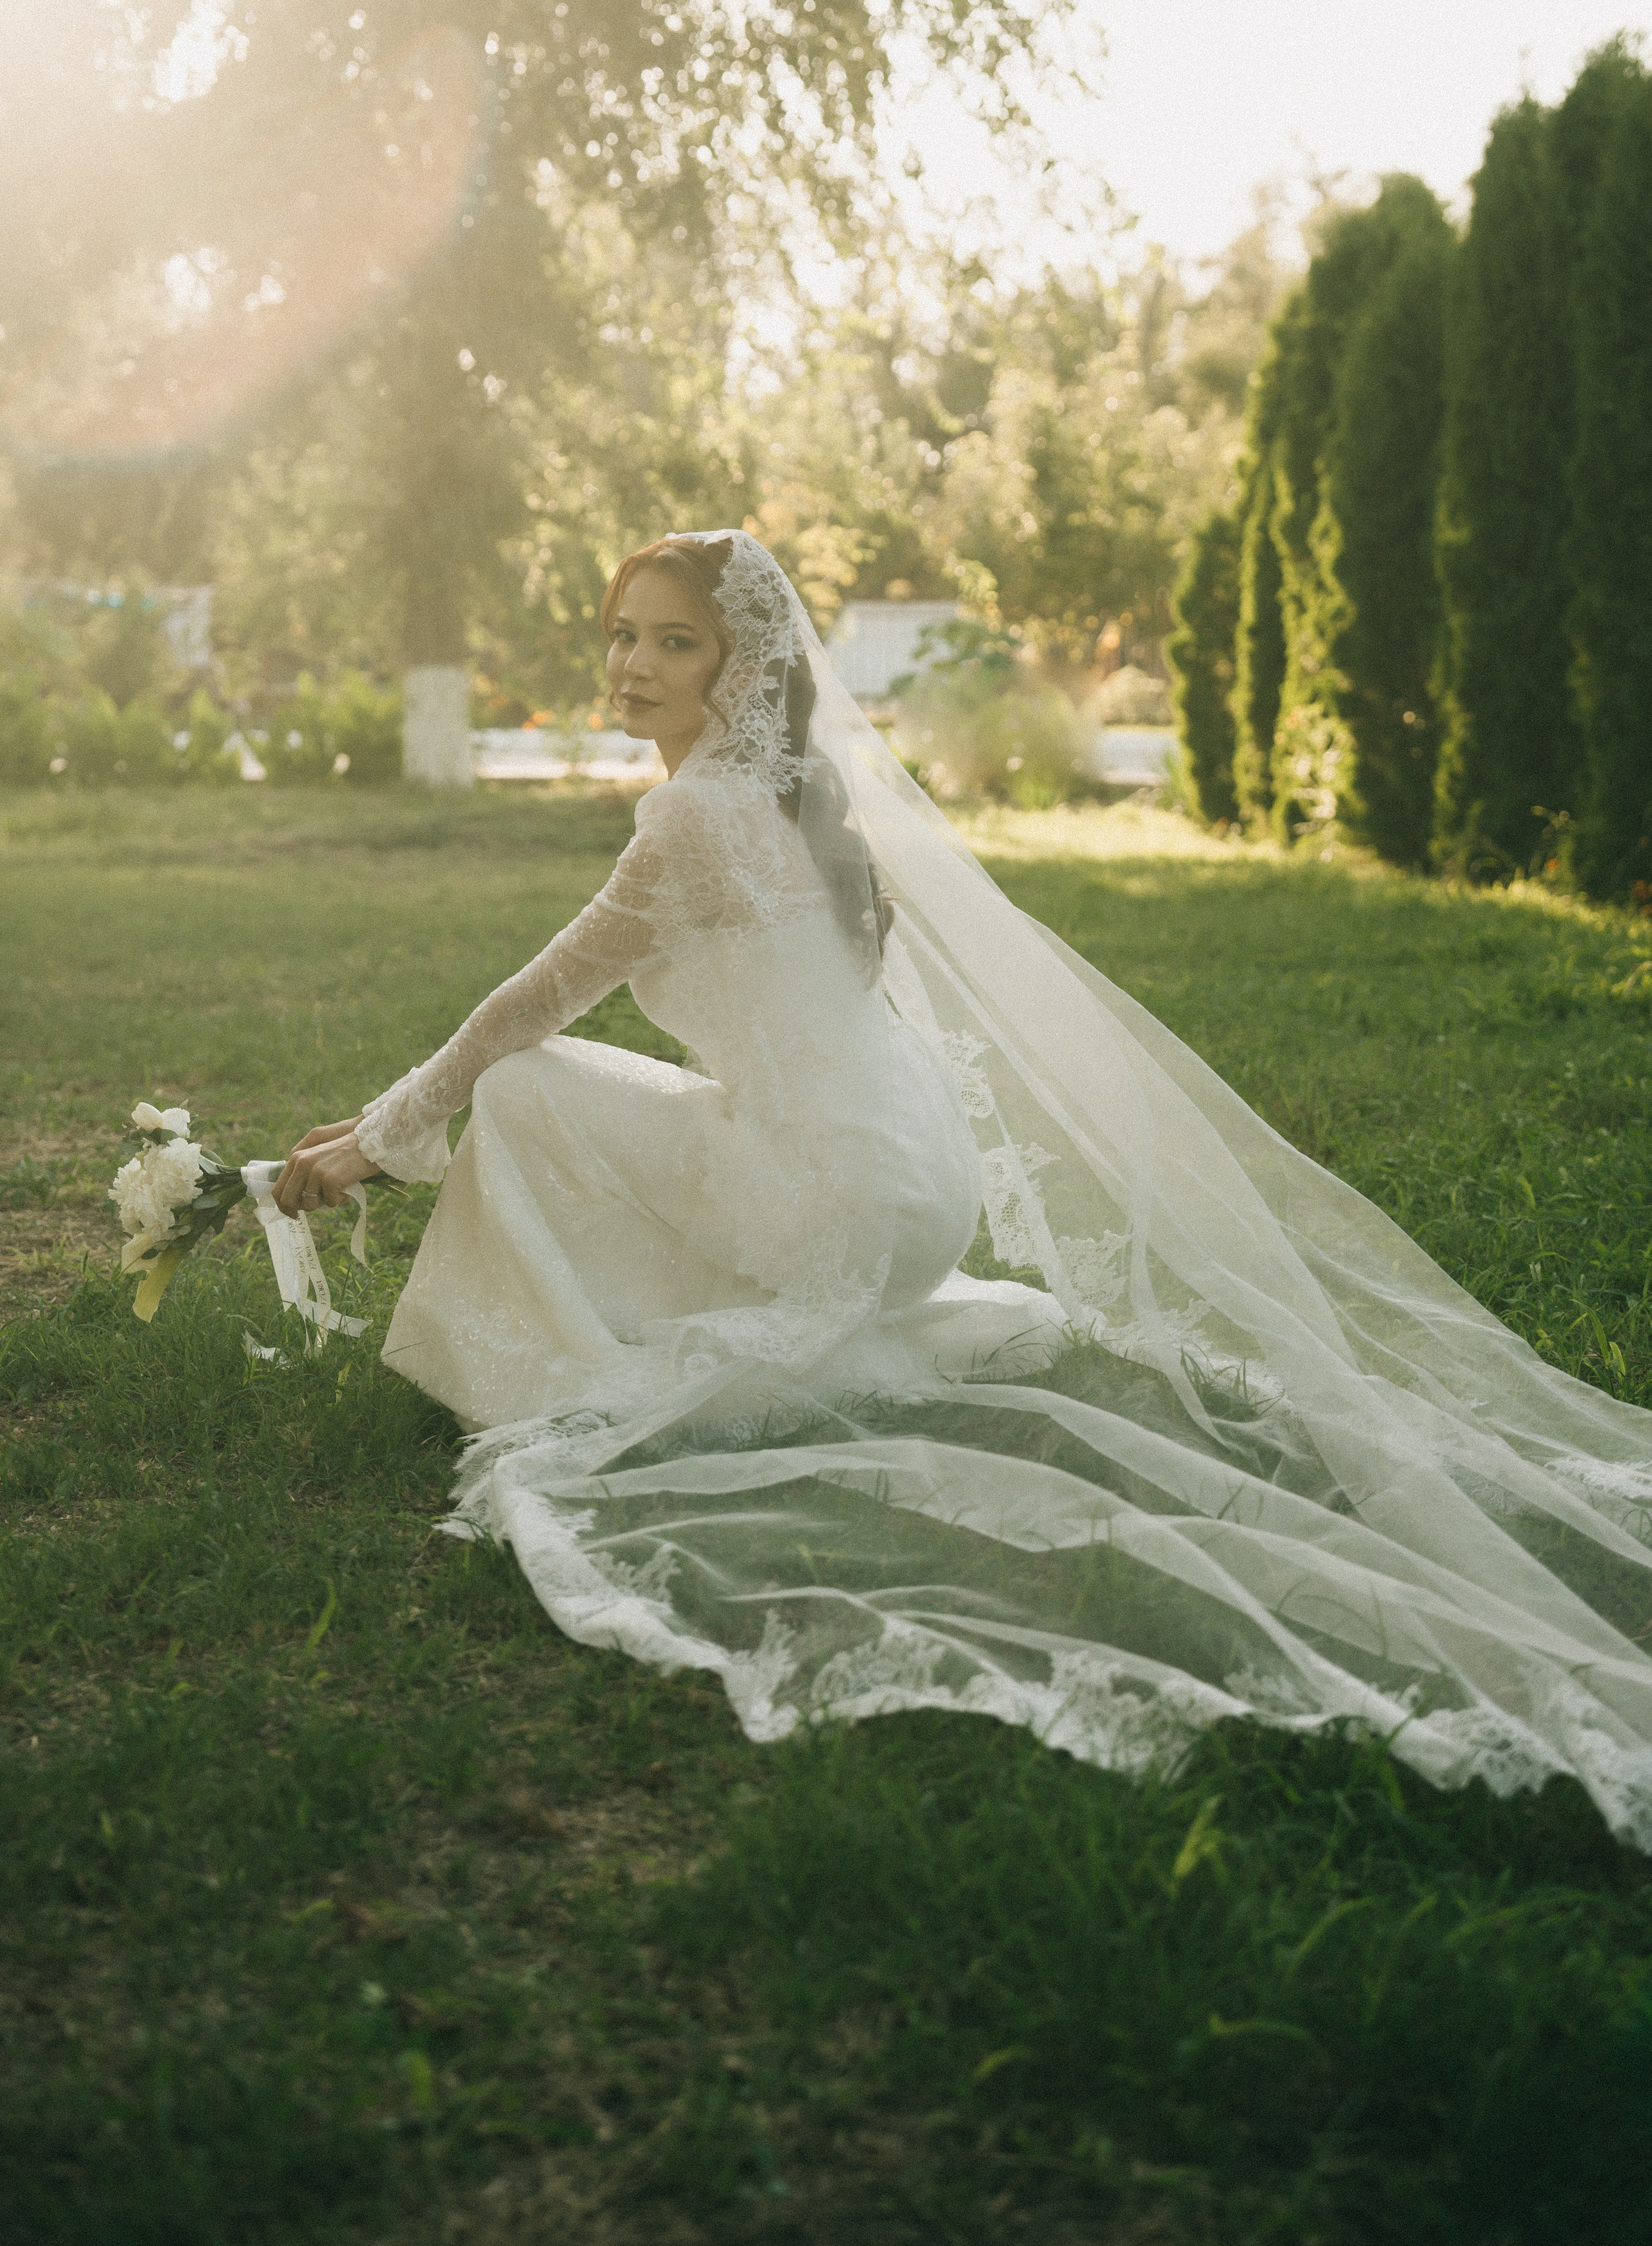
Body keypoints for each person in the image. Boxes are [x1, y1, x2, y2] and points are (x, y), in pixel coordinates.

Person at [277, 532, 1652, 1847]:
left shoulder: (692, 818)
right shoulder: (796, 797)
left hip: (837, 1212)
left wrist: (382, 1136)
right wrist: (396, 1116)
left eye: (672, 643)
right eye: (621, 636)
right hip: (920, 1193)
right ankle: (662, 1299)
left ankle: (541, 1367)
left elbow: (531, 999)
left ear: (737, 668)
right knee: (632, 1100)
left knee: (525, 1086)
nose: (632, 666)